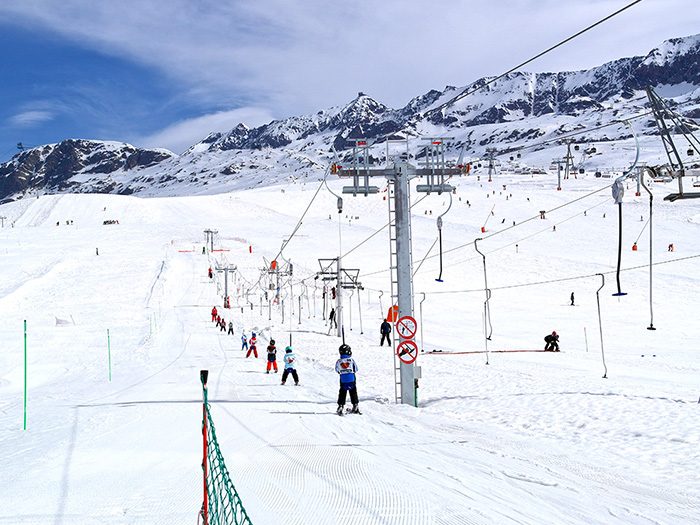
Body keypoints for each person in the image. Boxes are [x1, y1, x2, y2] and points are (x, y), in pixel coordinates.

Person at [335, 344, 360, 414]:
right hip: (351, 379)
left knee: (342, 393)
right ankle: (355, 405)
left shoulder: (339, 361)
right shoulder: (351, 360)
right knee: (353, 392)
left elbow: (337, 370)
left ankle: (340, 405)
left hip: (343, 380)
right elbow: (356, 369)